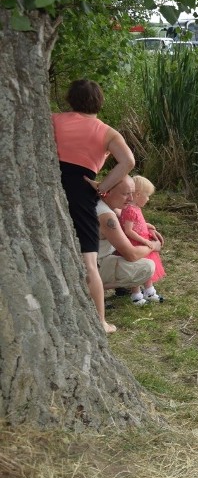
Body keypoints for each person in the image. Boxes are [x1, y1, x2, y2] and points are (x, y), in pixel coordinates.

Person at [52, 79, 136, 333]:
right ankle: (100, 322)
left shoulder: (53, 119)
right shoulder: (107, 132)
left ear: (69, 99)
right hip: (80, 191)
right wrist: (103, 187)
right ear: (100, 101)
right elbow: (128, 161)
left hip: (50, 183)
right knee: (89, 261)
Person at [96, 176, 162, 328]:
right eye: (126, 194)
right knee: (146, 267)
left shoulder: (105, 206)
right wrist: (153, 246)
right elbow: (130, 254)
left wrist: (145, 227)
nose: (131, 198)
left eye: (132, 193)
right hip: (95, 266)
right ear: (108, 192)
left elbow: (123, 217)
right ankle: (92, 290)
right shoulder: (106, 216)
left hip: (97, 260)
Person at [118, 175, 166, 305]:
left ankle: (149, 291)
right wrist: (144, 241)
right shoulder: (129, 210)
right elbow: (128, 230)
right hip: (135, 244)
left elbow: (137, 224)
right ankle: (136, 295)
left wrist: (146, 226)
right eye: (147, 195)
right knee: (138, 270)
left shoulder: (136, 208)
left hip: (141, 241)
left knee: (147, 269)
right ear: (138, 195)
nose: (148, 199)